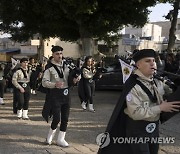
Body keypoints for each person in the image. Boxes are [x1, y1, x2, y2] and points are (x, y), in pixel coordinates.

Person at [98, 49, 180, 154]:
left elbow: (172, 91)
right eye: (147, 61)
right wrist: (160, 108)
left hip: (154, 127)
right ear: (138, 65)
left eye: (153, 61)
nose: (152, 63)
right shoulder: (133, 85)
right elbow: (136, 113)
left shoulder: (157, 81)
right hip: (137, 130)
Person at [42, 45, 80, 147]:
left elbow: (72, 77)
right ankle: (49, 137)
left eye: (61, 53)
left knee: (65, 118)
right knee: (56, 118)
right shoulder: (49, 68)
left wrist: (75, 80)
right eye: (57, 54)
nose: (59, 56)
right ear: (53, 55)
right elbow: (44, 82)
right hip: (55, 95)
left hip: (66, 94)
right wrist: (54, 84)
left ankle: (61, 139)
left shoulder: (67, 65)